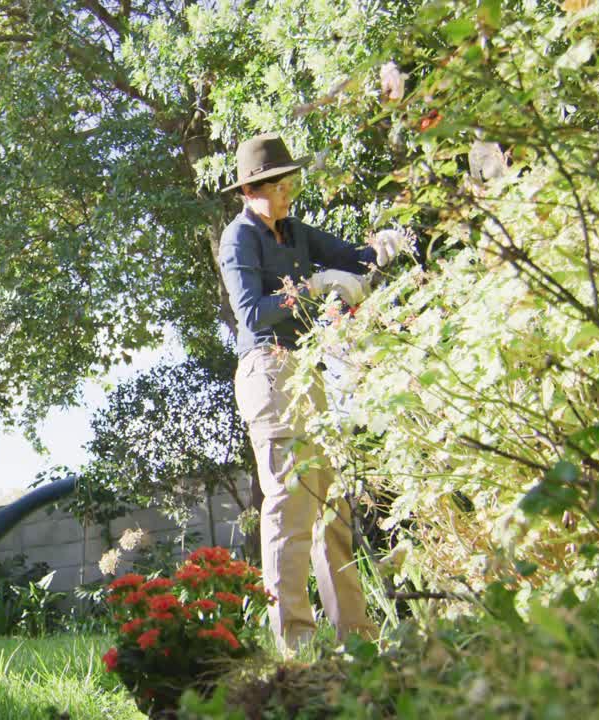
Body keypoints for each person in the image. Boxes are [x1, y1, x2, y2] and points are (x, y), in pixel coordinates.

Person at [216, 133, 405, 652]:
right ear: (251, 190)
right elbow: (251, 313)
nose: (287, 195)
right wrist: (313, 286)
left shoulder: (296, 231)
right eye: (278, 187)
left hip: (307, 371)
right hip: (268, 370)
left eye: (290, 185)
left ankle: (356, 642)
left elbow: (353, 258)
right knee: (290, 508)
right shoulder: (238, 238)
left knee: (333, 511)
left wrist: (384, 247)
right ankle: (294, 647)